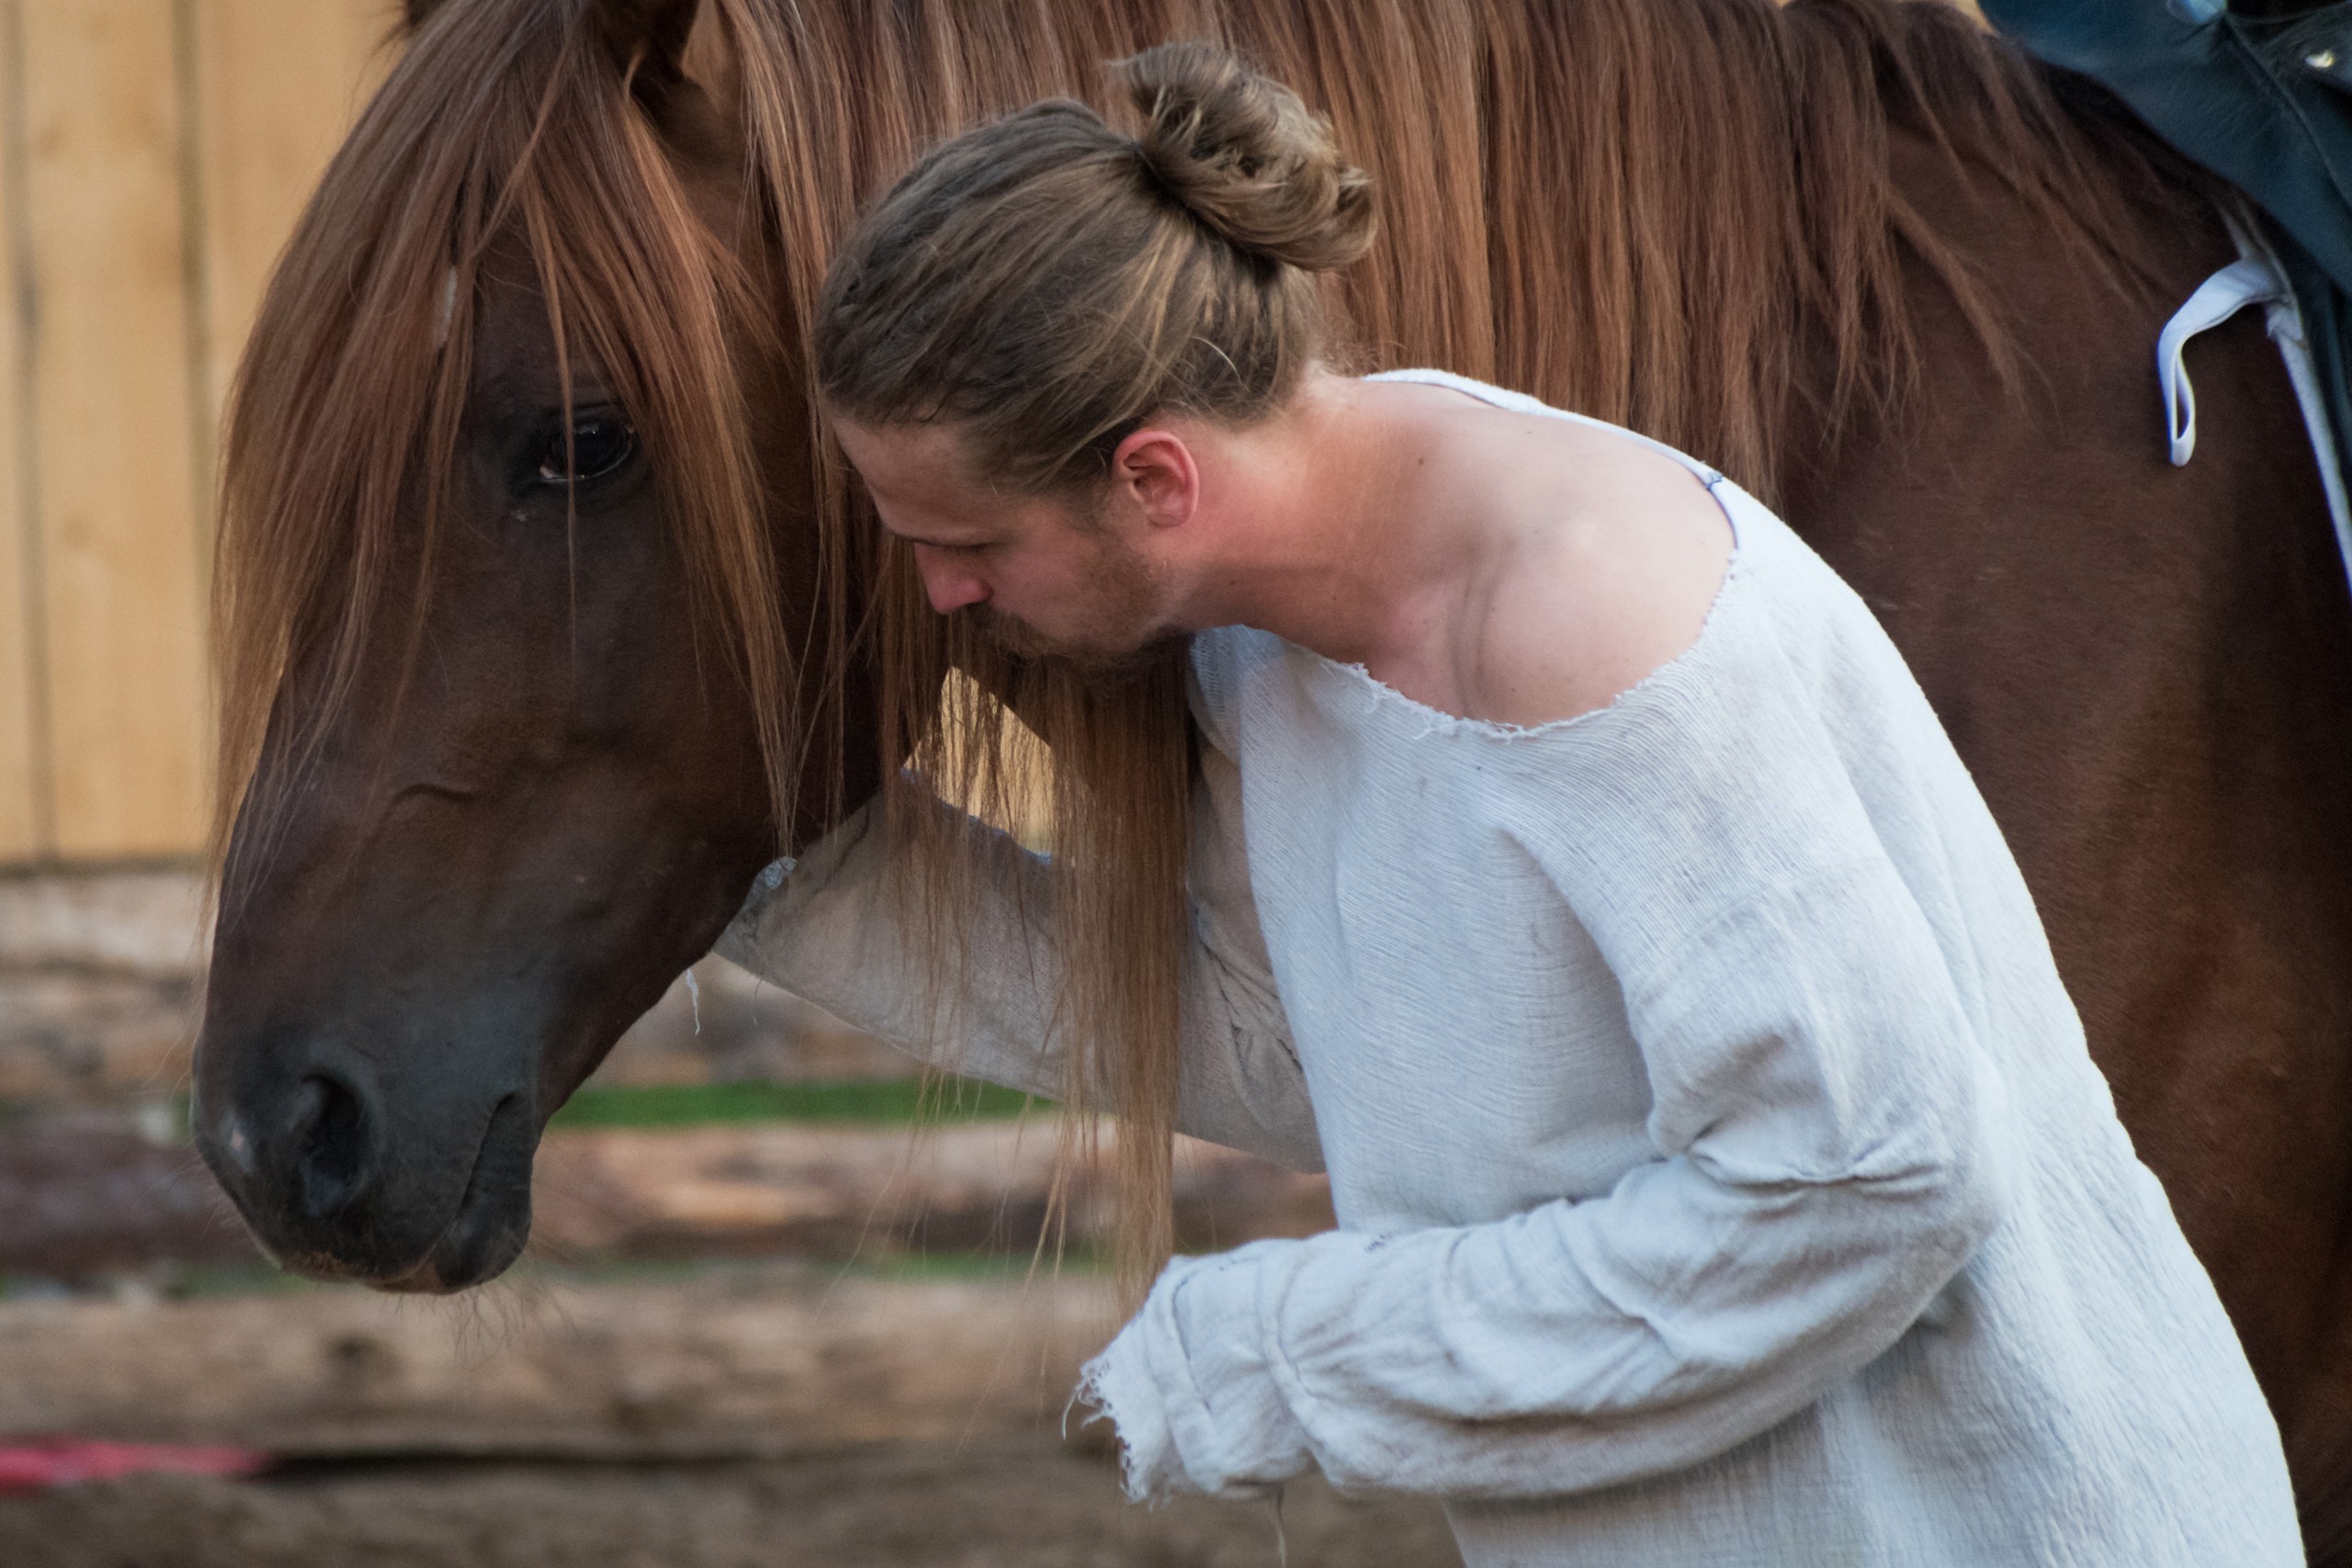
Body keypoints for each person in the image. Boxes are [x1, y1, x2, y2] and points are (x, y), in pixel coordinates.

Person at [718, 40, 2301, 1566]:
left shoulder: (1599, 623)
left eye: (968, 542)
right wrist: (792, 883)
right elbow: (1321, 1053)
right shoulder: (1274, 640)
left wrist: (1282, 1350)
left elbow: (1870, 1180)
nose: (941, 594)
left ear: (1153, 480)